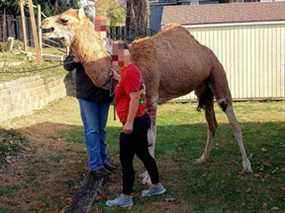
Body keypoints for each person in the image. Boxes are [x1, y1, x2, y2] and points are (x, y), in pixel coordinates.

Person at [106, 42, 166, 208]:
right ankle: (157, 187)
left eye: (116, 55)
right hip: (141, 119)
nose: (113, 59)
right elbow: (134, 89)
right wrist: (120, 79)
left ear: (125, 54)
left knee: (125, 160)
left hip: (135, 122)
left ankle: (126, 197)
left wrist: (129, 122)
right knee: (144, 154)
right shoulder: (130, 71)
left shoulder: (130, 72)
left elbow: (134, 98)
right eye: (113, 56)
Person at [63, 53, 114, 181]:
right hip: (87, 95)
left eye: (103, 31)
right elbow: (67, 65)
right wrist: (76, 59)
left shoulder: (108, 46)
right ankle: (96, 165)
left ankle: (103, 160)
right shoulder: (81, 45)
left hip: (104, 94)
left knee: (101, 129)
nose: (102, 32)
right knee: (92, 130)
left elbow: (120, 63)